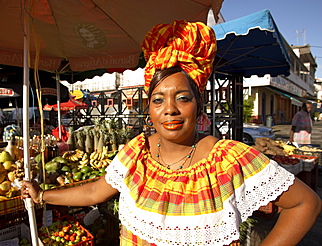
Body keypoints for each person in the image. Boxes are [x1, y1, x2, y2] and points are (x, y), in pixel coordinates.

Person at [22, 20, 321, 245]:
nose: (170, 109)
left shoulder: (228, 160)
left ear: (198, 106)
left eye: (182, 97)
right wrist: (42, 195)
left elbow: (305, 203)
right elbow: (94, 191)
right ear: (149, 109)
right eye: (158, 99)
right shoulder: (136, 152)